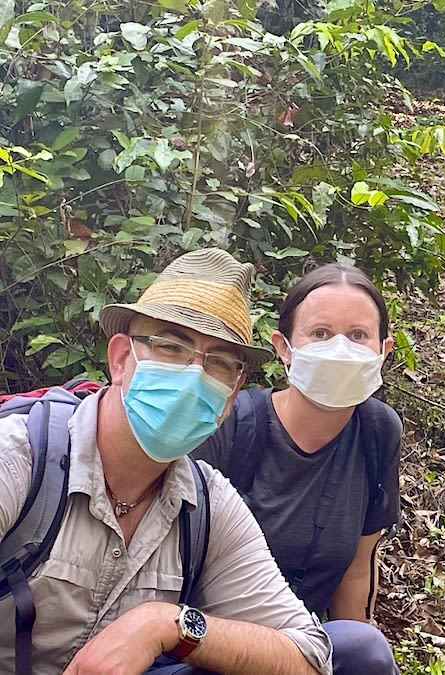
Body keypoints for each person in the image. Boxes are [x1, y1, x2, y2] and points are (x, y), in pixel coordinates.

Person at [0, 248, 332, 675]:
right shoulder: (21, 458)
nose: (194, 375)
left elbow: (310, 657)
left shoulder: (207, 506)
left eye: (219, 364)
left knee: (356, 648)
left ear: (231, 395)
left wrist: (169, 625)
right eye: (172, 347)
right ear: (121, 359)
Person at [193, 263, 402, 675]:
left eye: (358, 335)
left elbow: (357, 569)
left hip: (302, 652)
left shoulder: (377, 431)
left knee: (364, 649)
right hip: (204, 646)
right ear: (284, 347)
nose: (339, 349)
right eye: (320, 334)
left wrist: (360, 654)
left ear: (383, 350)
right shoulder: (231, 425)